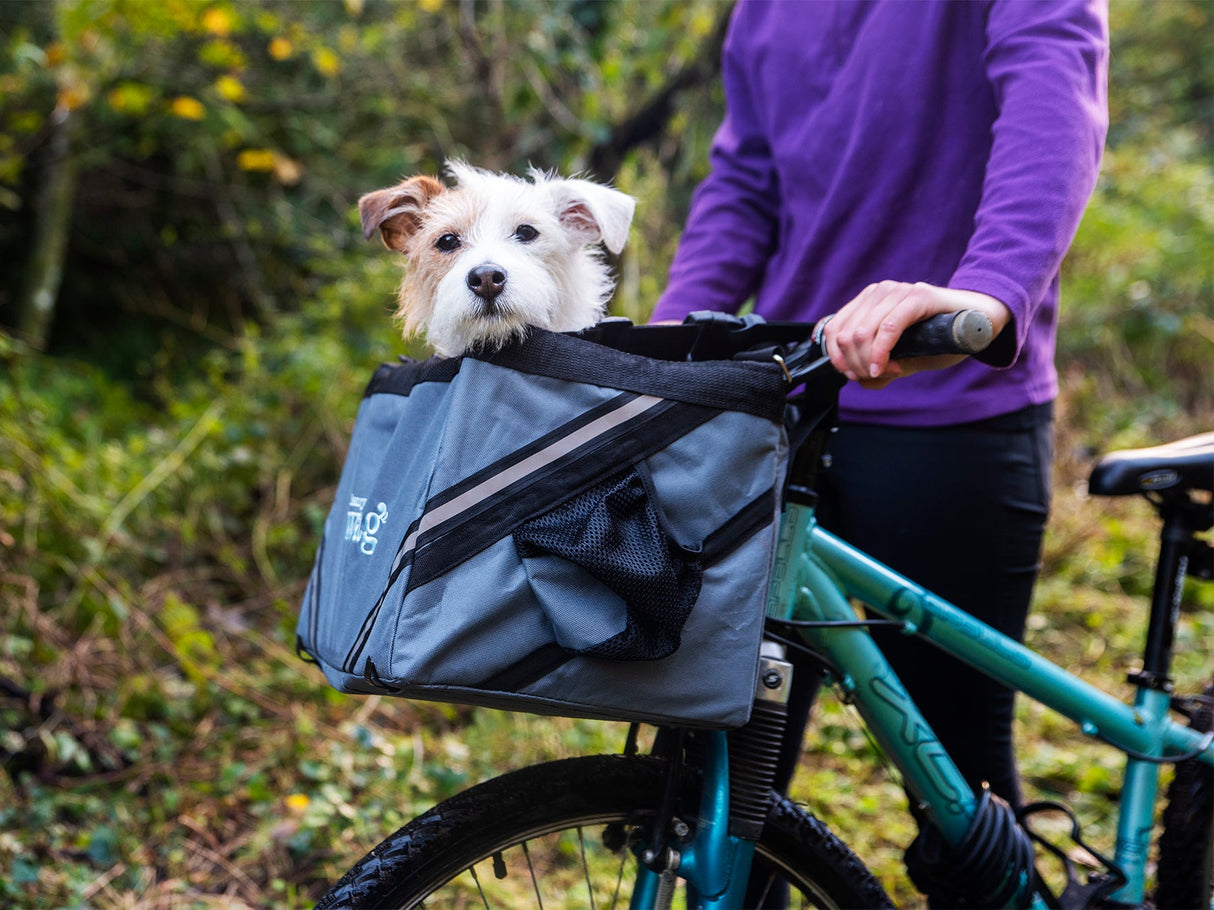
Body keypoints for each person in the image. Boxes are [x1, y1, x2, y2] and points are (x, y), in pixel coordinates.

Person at [651, 0, 1109, 894]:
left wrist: (984, 295)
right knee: (714, 787)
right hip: (780, 413)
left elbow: (1055, 98)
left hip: (949, 411)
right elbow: (745, 182)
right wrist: (670, 350)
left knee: (962, 800)